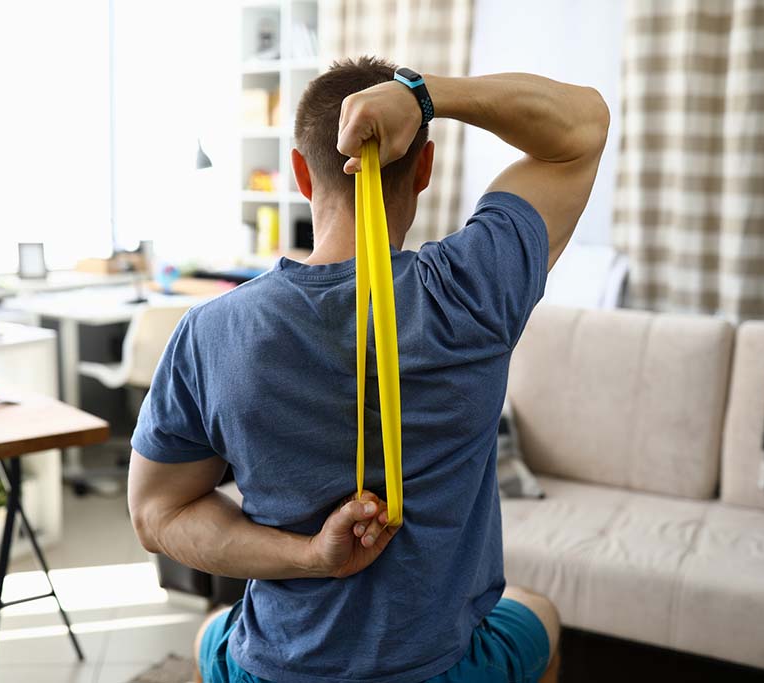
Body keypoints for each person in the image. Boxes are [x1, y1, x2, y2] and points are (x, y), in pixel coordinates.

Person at [127, 56, 609, 683]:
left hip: (276, 667)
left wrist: (310, 557)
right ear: (426, 168)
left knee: (208, 638)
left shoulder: (209, 333)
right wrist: (426, 96)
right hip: (439, 667)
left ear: (301, 173)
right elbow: (583, 129)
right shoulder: (472, 288)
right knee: (536, 612)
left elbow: (155, 516)